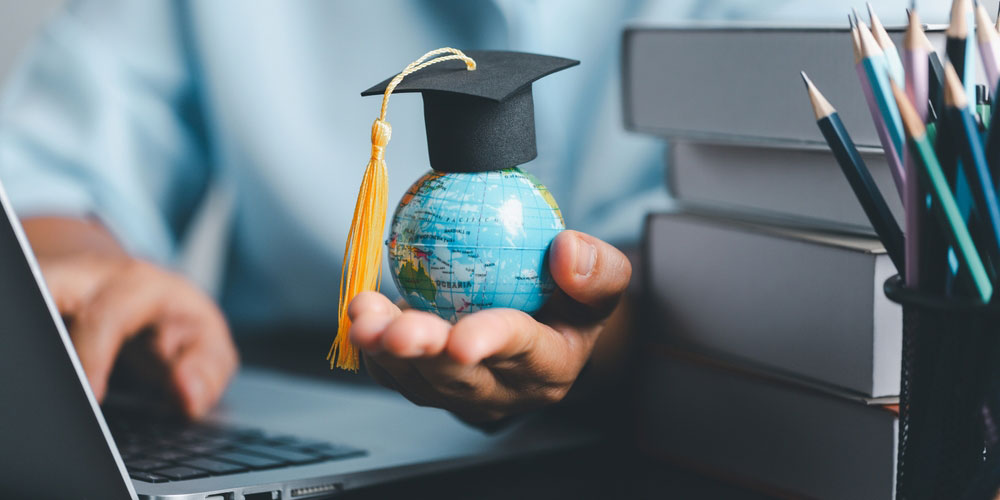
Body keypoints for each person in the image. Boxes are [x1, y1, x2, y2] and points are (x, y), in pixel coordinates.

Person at [0, 0, 950, 423]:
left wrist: (599, 327)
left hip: (671, 426)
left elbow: (810, 218)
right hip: (267, 388)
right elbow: (47, 166)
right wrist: (88, 266)